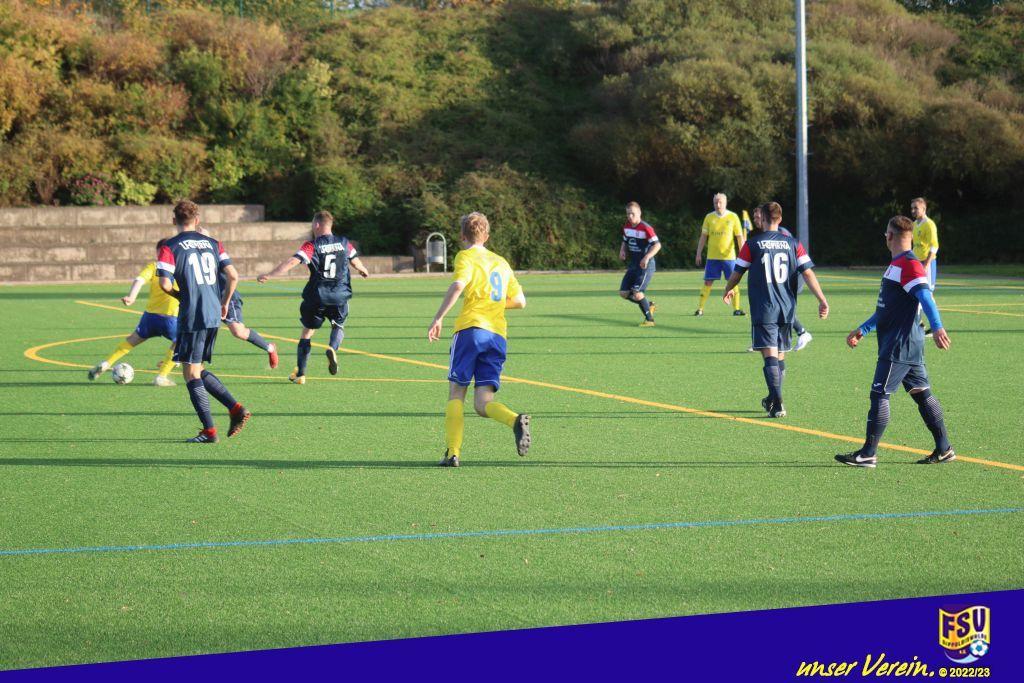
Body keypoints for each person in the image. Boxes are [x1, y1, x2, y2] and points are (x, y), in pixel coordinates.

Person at [835, 215, 953, 468]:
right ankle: (944, 448)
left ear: (889, 236)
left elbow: (926, 297)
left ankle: (868, 453)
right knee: (922, 393)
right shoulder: (897, 264)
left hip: (899, 344)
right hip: (909, 342)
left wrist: (937, 326)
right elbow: (886, 309)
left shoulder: (909, 264)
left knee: (879, 394)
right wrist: (864, 328)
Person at [427, 212, 530, 467]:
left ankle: (453, 452)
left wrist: (438, 317)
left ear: (462, 236)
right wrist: (494, 304)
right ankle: (514, 420)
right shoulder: (501, 262)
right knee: (483, 403)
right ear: (487, 236)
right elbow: (520, 301)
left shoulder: (465, 256)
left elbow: (458, 285)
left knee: (456, 392)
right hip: (497, 335)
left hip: (470, 330)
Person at [723, 202, 829, 418]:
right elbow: (808, 273)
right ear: (780, 219)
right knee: (779, 357)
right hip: (787, 309)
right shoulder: (793, 243)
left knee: (770, 356)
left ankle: (778, 402)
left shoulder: (752, 244)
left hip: (765, 308)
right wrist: (822, 299)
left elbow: (737, 272)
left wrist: (728, 288)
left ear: (762, 218)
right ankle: (773, 398)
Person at [157, 201, 251, 443]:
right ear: (197, 220)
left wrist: (179, 295)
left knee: (190, 373)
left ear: (173, 220)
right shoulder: (213, 243)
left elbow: (165, 284)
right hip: (212, 312)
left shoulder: (169, 246)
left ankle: (209, 431)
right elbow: (233, 275)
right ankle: (235, 409)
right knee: (196, 368)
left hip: (193, 314)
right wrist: (224, 302)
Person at [257, 211, 369, 383]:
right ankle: (332, 348)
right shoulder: (344, 242)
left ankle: (300, 374)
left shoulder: (312, 245)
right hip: (339, 295)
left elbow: (292, 262)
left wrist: (270, 274)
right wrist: (363, 270)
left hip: (317, 296)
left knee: (307, 333)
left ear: (317, 225)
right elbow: (355, 261)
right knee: (338, 326)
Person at [88, 241, 180, 387]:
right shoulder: (180, 268)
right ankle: (162, 376)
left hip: (150, 318)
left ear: (158, 253)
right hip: (172, 318)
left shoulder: (154, 266)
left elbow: (139, 280)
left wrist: (131, 297)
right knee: (183, 343)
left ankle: (107, 363)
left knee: (131, 340)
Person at [197, 227, 279, 370]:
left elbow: (233, 276)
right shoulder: (192, 256)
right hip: (210, 300)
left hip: (228, 298)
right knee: (194, 326)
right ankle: (180, 360)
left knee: (238, 332)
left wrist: (225, 302)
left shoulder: (216, 254)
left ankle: (269, 347)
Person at [745, 206, 814, 352]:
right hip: (775, 279)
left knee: (777, 305)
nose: (755, 220)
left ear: (765, 217)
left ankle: (798, 334)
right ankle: (796, 335)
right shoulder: (758, 235)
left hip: (788, 277)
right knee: (772, 305)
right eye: (754, 217)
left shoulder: (781, 233)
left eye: (758, 217)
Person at [695, 193, 745, 317]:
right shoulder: (709, 217)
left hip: (729, 257)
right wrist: (698, 253)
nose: (718, 205)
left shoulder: (733, 217)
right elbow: (703, 237)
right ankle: (700, 309)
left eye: (720, 202)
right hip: (712, 257)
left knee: (734, 282)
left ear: (725, 203)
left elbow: (739, 237)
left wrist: (744, 254)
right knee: (707, 282)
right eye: (715, 202)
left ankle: (736, 309)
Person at [618, 202, 660, 327]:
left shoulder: (646, 228)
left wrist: (646, 257)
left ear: (639, 213)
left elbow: (657, 245)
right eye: (628, 214)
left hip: (645, 266)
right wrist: (622, 250)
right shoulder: (627, 226)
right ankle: (648, 305)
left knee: (637, 292)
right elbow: (625, 240)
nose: (630, 216)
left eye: (633, 213)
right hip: (633, 265)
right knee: (624, 293)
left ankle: (650, 320)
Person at [910, 197, 939, 336]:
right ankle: (919, 324)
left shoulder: (929, 224)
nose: (913, 210)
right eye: (912, 208)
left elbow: (934, 246)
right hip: (916, 263)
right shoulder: (914, 224)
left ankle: (935, 327)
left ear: (924, 209)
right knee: (915, 292)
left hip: (927, 263)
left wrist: (927, 264)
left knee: (927, 294)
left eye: (916, 208)